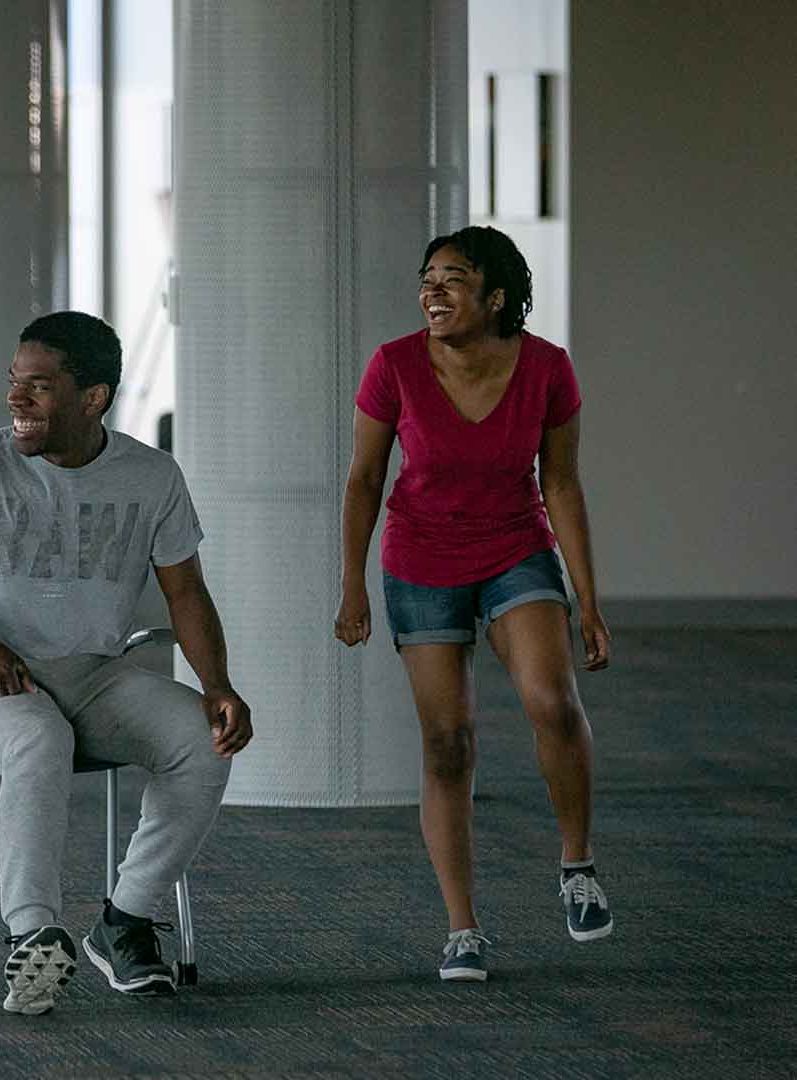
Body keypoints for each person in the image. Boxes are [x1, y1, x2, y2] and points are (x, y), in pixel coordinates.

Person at [0, 311, 252, 1016]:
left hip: (91, 674)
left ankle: (125, 920)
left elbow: (185, 591)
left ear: (93, 398)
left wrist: (217, 686)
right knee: (36, 737)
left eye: (40, 387)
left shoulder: (149, 476)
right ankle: (32, 933)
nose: (16, 400)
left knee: (200, 740)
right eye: (13, 383)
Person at [335, 225, 613, 982]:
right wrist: (352, 583)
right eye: (426, 276)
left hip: (514, 547)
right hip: (421, 557)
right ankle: (462, 928)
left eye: (452, 278)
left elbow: (560, 481)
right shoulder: (392, 365)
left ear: (495, 297)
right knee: (446, 742)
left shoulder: (547, 368)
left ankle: (575, 865)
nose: (432, 289)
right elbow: (363, 478)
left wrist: (585, 599)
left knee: (550, 700)